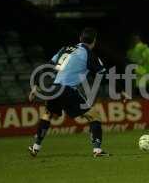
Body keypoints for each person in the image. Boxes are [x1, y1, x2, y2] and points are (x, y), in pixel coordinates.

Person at [28, 28, 112, 157]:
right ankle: (97, 150)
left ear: (80, 38)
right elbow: (103, 74)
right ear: (94, 42)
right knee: (94, 116)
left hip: (54, 87)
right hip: (67, 90)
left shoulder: (65, 49)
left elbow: (48, 65)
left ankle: (35, 147)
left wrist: (36, 86)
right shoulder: (89, 54)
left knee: (47, 114)